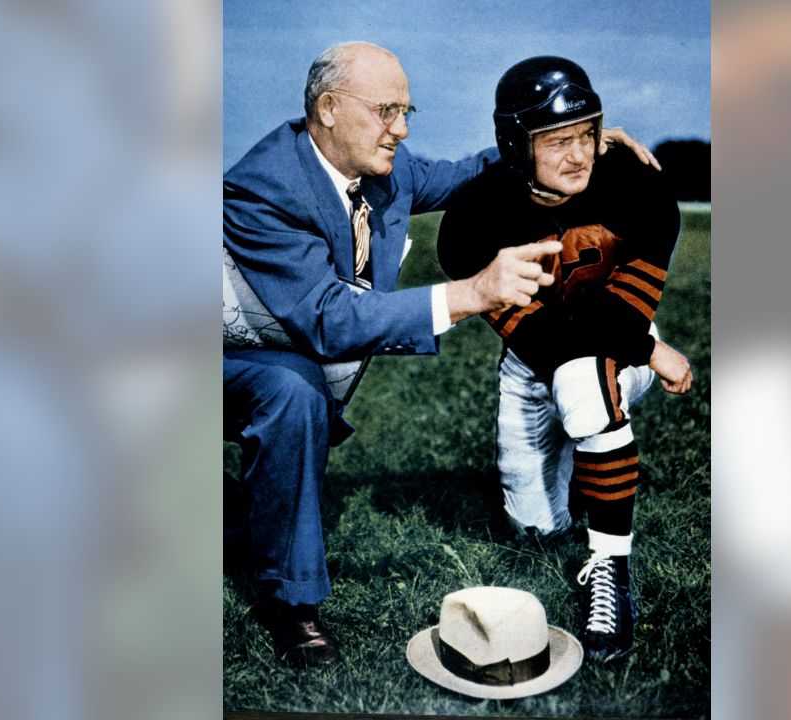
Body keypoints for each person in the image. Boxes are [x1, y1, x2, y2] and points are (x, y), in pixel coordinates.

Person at [223, 41, 658, 668]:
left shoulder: (382, 170)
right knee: (291, 391)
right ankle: (292, 606)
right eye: (386, 111)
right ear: (327, 108)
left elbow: (465, 171)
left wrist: (563, 139)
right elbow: (326, 318)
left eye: (407, 109)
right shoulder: (263, 188)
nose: (401, 128)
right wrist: (471, 293)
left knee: (295, 388)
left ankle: (251, 526)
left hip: (278, 343)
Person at [437, 56, 693, 661]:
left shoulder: (640, 185)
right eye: (556, 141)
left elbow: (623, 321)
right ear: (515, 146)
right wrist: (653, 351)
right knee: (537, 532)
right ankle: (591, 475)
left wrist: (638, 345)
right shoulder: (475, 218)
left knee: (585, 381)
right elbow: (543, 340)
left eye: (586, 134)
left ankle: (612, 572)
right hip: (536, 361)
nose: (578, 155)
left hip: (617, 348)